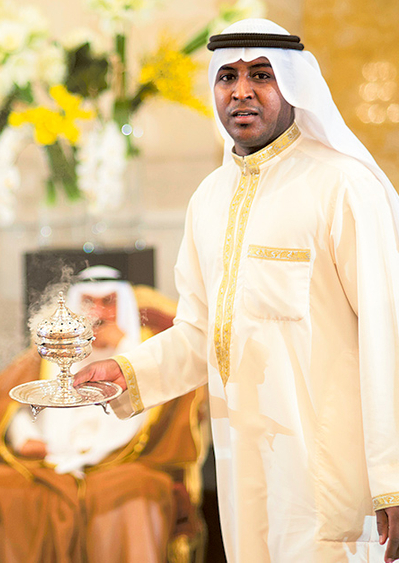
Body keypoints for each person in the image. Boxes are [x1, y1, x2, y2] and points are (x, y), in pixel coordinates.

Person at [74, 18, 399, 563]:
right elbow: (202, 330)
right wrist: (128, 371)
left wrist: (392, 475)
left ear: (293, 86)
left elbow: (389, 336)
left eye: (262, 75)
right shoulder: (209, 198)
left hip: (330, 470)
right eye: (227, 76)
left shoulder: (342, 187)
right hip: (243, 462)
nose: (241, 90)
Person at [0, 266, 205, 563]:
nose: (98, 313)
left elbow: (169, 402)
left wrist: (123, 347)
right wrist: (24, 437)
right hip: (49, 464)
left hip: (124, 465)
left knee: (136, 497)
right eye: (88, 303)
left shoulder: (148, 350)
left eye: (109, 302)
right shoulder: (56, 349)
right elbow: (3, 397)